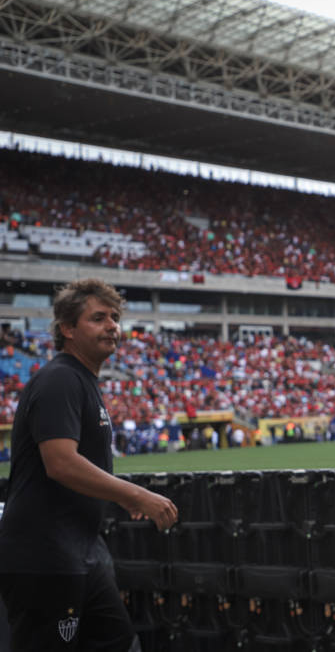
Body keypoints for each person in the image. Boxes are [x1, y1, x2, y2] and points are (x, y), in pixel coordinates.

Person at [0, 278, 179, 651]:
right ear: (67, 328)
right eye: (98, 318)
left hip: (82, 551)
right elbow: (61, 463)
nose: (112, 326)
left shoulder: (83, 380)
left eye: (115, 317)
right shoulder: (60, 378)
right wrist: (135, 495)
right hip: (45, 555)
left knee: (118, 642)